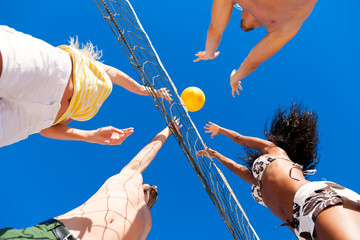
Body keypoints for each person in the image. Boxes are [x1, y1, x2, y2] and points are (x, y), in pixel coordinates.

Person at [197, 103, 360, 240]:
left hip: (312, 198)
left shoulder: (274, 150)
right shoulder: (256, 181)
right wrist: (216, 155)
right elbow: (234, 167)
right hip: (301, 228)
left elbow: (239, 138)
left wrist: (221, 130)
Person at [0, 122, 179, 240]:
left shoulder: (147, 222)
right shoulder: (130, 179)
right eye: (152, 185)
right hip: (54, 235)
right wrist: (169, 130)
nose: (156, 186)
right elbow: (150, 150)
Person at [0, 25, 172, 147]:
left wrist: (91, 136)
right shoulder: (93, 67)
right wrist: (147, 90)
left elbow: (46, 130)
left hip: (36, 120)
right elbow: (119, 76)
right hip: (54, 71)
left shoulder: (86, 107)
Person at [194, 0, 318, 97]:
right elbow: (214, 31)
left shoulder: (285, 27)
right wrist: (210, 53)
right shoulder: (286, 26)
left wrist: (234, 78)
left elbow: (251, 63)